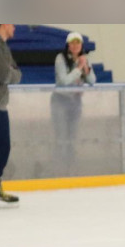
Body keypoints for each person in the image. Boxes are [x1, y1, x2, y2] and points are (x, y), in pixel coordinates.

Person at [51, 31, 96, 176]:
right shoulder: (60, 58)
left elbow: (92, 81)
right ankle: (59, 166)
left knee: (72, 137)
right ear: (68, 45)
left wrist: (86, 68)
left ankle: (71, 166)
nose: (76, 46)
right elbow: (64, 81)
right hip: (60, 101)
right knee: (61, 136)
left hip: (76, 102)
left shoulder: (84, 59)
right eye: (73, 43)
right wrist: (78, 68)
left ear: (82, 45)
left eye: (78, 43)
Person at [0, 24, 21, 207]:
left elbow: (17, 72)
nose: (14, 27)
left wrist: (11, 72)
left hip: (0, 105)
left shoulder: (3, 46)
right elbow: (4, 74)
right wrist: (11, 72)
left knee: (3, 148)